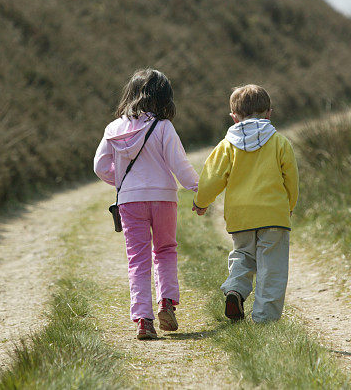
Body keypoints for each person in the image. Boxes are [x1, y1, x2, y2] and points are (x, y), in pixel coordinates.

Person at [94, 69, 198, 340]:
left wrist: (123, 182)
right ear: (165, 98)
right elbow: (180, 166)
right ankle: (166, 303)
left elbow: (100, 166)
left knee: (137, 260)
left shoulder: (114, 128)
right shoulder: (163, 127)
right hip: (163, 197)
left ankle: (143, 320)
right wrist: (200, 190)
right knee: (165, 250)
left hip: (130, 200)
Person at [192, 84, 299, 323]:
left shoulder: (226, 145)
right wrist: (289, 206)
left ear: (233, 117)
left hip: (241, 216)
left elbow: (212, 177)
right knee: (272, 269)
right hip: (274, 215)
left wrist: (201, 202)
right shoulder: (280, 143)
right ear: (269, 112)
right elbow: (291, 179)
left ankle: (235, 290)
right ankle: (265, 320)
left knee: (242, 256)